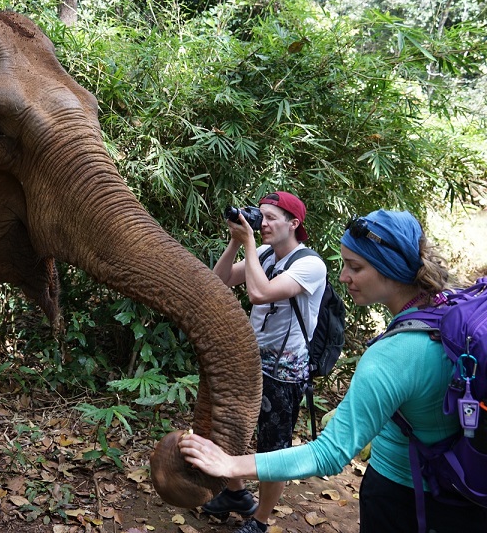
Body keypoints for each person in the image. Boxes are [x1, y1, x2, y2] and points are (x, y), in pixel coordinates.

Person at [179, 209, 487, 533]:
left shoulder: (392, 356)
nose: (343, 277)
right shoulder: (452, 310)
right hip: (462, 486)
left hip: (403, 495)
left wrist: (230, 464)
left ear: (392, 269)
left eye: (356, 267)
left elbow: (329, 454)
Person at [205, 191, 327, 533]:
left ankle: (259, 520)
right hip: (250, 360)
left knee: (273, 447)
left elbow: (259, 293)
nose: (263, 224)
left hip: (285, 372)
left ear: (294, 223)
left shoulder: (310, 264)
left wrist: (247, 246)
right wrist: (235, 242)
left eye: (271, 217)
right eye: (260, 216)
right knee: (230, 427)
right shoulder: (263, 254)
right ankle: (236, 494)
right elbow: (219, 281)